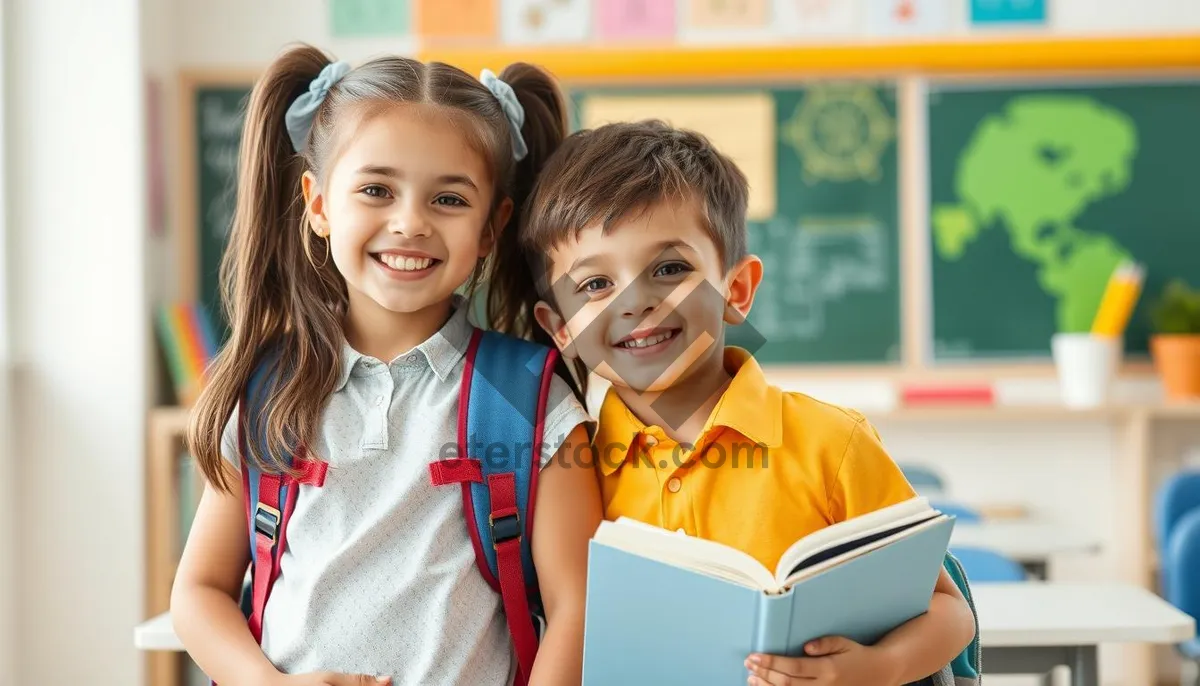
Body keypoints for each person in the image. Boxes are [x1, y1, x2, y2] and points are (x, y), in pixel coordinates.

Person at [171, 45, 600, 686]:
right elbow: (199, 591)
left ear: (491, 227)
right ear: (317, 204)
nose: (410, 223)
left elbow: (578, 608)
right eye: (376, 189)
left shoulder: (530, 395)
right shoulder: (267, 388)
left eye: (449, 200)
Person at [517, 120, 976, 686]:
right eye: (594, 285)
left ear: (735, 290)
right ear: (560, 329)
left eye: (669, 269)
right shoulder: (565, 470)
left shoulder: (831, 442)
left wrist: (875, 668)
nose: (636, 303)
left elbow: (951, 614)